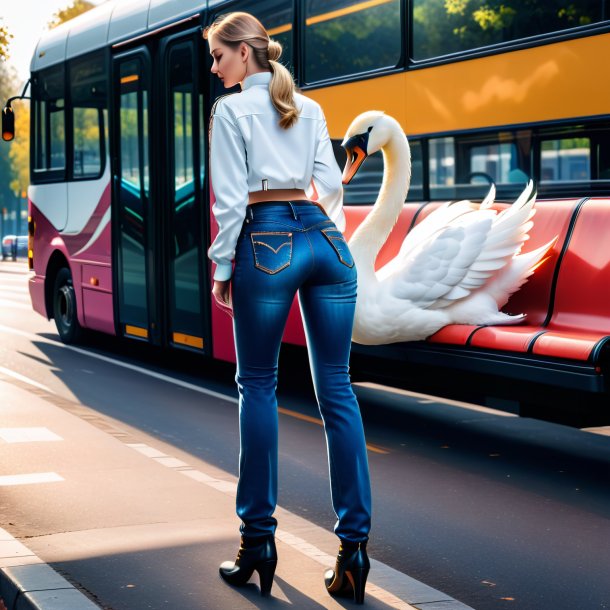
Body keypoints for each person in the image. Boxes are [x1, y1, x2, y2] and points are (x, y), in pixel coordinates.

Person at [203, 11, 372, 604]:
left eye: (219, 56)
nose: (215, 66)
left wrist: (223, 268)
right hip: (325, 240)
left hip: (264, 239)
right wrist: (324, 236)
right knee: (338, 389)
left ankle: (258, 543)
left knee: (257, 384)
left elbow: (228, 202)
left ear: (244, 55)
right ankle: (354, 551)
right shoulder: (311, 107)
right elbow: (330, 185)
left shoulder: (230, 112)